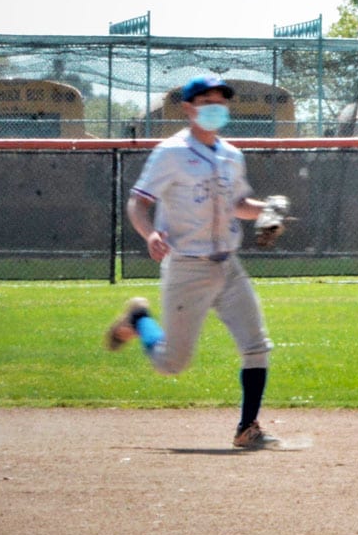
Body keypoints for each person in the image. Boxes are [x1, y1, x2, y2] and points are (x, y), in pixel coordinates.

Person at [104, 76, 282, 450]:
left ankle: (247, 428)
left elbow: (239, 204)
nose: (216, 106)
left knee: (257, 346)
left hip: (227, 265)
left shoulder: (232, 155)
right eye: (206, 100)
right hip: (187, 266)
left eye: (221, 100)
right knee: (172, 363)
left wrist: (265, 210)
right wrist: (150, 234)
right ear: (188, 107)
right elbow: (138, 202)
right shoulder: (171, 153)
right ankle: (139, 320)